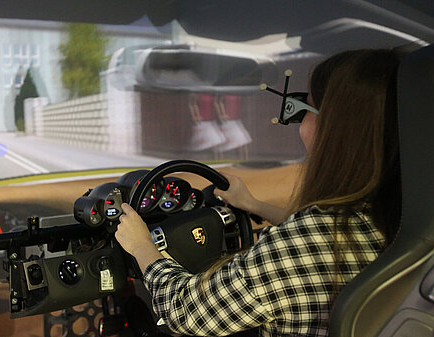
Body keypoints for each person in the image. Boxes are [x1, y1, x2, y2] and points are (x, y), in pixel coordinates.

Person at [115, 49, 401, 336]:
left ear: (337, 129)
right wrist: (254, 204)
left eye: (305, 110)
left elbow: (185, 310)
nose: (299, 125)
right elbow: (319, 235)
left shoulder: (303, 243)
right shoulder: (395, 213)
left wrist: (142, 246)